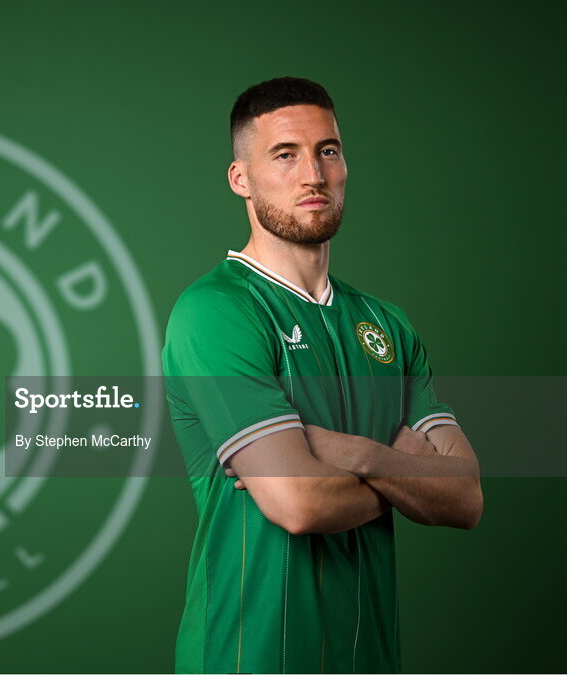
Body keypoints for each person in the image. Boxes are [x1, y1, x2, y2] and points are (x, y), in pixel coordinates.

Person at [161, 76, 483, 674]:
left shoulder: (386, 324)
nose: (313, 174)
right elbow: (299, 503)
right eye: (285, 155)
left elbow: (465, 497)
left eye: (327, 150)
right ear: (241, 178)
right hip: (247, 659)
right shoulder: (216, 311)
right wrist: (411, 474)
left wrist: (355, 454)